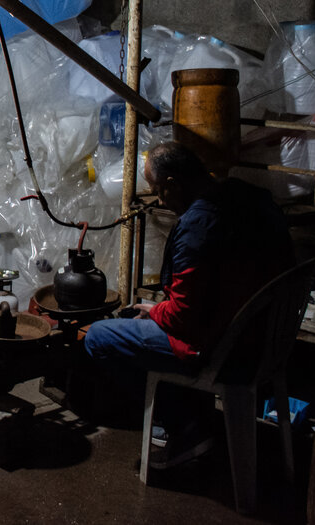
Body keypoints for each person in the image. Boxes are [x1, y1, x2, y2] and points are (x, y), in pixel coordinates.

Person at [84, 140, 293, 468]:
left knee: (99, 337)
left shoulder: (198, 225)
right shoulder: (252, 197)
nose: (158, 199)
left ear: (173, 184)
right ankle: (195, 415)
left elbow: (183, 315)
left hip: (224, 350)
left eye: (158, 190)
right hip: (267, 339)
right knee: (144, 317)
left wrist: (154, 312)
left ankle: (185, 428)